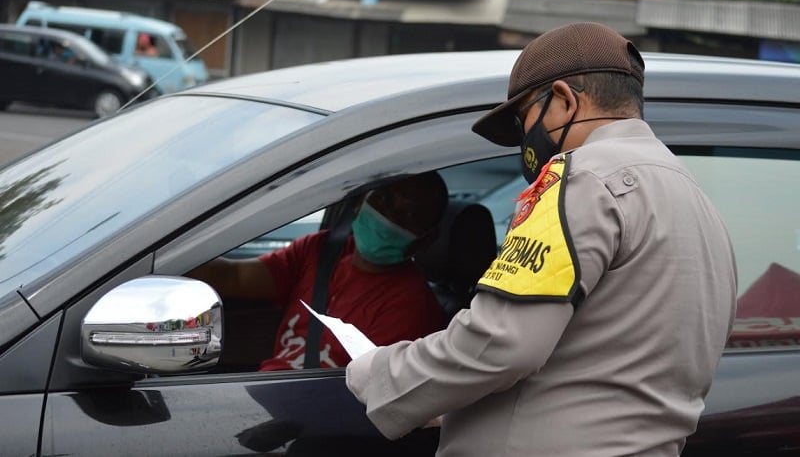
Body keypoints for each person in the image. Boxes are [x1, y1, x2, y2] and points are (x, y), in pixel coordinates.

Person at [345, 22, 738, 456]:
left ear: (565, 100)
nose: (523, 141)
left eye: (523, 120)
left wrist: (379, 373)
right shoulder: (695, 199)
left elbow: (500, 343)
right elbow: (613, 362)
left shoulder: (579, 180)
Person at [188, 172, 448, 371]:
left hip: (310, 421)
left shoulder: (411, 308)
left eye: (409, 214)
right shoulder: (321, 251)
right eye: (383, 200)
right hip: (271, 393)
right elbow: (233, 277)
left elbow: (368, 397)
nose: (388, 218)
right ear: (360, 201)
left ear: (425, 239)